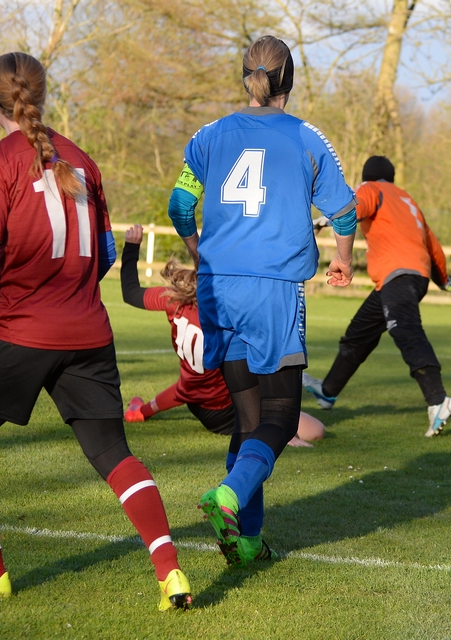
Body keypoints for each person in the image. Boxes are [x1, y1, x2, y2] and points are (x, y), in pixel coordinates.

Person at [0, 52, 191, 611]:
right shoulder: (83, 161)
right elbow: (105, 253)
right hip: (89, 332)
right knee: (112, 452)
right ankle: (172, 574)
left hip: (21, 331)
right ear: (43, 96)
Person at [167, 35, 357, 567]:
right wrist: (343, 258)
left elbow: (180, 204)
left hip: (218, 288)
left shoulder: (208, 135)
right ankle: (230, 494)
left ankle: (247, 539)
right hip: (273, 288)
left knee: (248, 417)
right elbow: (344, 211)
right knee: (281, 415)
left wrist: (198, 249)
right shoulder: (306, 137)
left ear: (245, 78)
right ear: (288, 82)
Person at [119, 224, 326, 448]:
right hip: (224, 407)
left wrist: (131, 247)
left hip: (199, 399)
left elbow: (130, 293)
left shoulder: (176, 299)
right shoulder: (228, 307)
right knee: (315, 429)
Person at [302, 155, 451, 437]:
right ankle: (328, 391)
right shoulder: (407, 200)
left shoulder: (371, 188)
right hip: (410, 277)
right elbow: (433, 245)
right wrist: (444, 280)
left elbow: (354, 207)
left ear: (367, 176)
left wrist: (324, 220)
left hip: (398, 275)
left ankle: (438, 400)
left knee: (406, 331)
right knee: (359, 335)